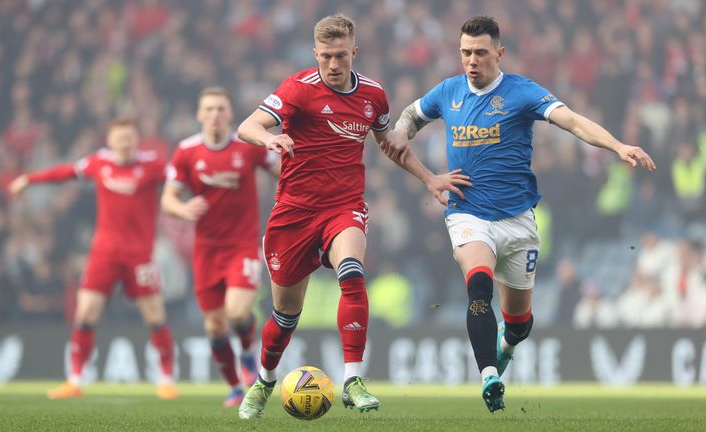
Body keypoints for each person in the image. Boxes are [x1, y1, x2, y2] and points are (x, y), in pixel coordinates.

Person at [381, 16, 656, 412]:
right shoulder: (448, 91)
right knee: (478, 287)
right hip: (467, 213)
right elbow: (411, 114)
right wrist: (401, 137)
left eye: (479, 52)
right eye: (465, 53)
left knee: (519, 323)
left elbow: (573, 122)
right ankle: (489, 375)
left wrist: (616, 146)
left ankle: (506, 345)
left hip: (518, 220)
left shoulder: (522, 92)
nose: (471, 61)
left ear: (499, 53)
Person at [234, 14, 440, 420]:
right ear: (316, 54)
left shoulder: (374, 96)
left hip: (343, 207)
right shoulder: (297, 89)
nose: (333, 64)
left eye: (341, 56)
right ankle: (264, 379)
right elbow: (248, 125)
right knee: (285, 316)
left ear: (354, 53)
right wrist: (270, 137)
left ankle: (352, 380)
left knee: (352, 271)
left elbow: (389, 144)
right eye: (326, 56)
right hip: (293, 214)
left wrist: (429, 178)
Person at [9, 119, 178, 400]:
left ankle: (166, 379)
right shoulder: (99, 162)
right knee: (85, 314)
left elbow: (183, 177)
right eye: (119, 138)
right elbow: (64, 172)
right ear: (110, 141)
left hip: (139, 255)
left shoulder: (154, 165)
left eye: (129, 138)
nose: (124, 143)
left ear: (137, 140)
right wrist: (29, 179)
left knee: (155, 316)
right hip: (104, 253)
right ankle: (75, 380)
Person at [160, 87, 279, 407]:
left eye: (221, 109)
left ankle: (248, 356)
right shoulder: (186, 151)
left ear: (230, 114)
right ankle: (235, 387)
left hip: (241, 245)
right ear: (200, 114)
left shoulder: (248, 146)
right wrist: (182, 210)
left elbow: (283, 170)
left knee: (238, 311)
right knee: (214, 326)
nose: (215, 114)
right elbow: (168, 199)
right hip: (206, 250)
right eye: (209, 109)